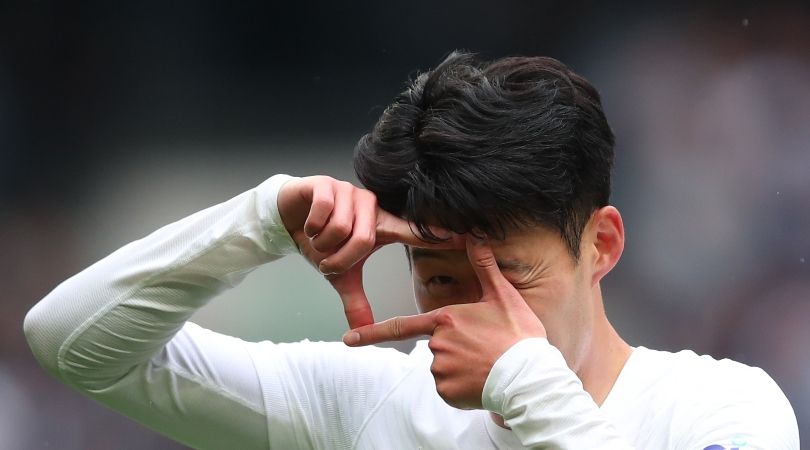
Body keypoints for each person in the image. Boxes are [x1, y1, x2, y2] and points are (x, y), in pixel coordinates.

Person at [24, 52, 799, 449]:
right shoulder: (368, 404)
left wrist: (525, 384)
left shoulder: (724, 408)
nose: (466, 315)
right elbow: (73, 345)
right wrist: (258, 221)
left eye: (510, 275)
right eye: (436, 276)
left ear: (600, 244)